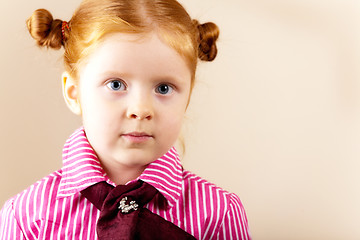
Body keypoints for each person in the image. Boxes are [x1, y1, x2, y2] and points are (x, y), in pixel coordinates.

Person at [0, 0, 251, 239]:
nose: (141, 109)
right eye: (116, 84)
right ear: (73, 92)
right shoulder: (26, 218)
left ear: (187, 97)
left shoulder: (218, 215)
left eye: (163, 88)